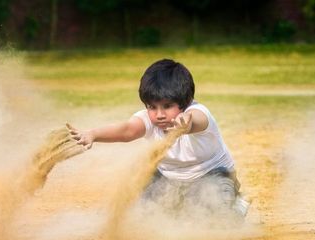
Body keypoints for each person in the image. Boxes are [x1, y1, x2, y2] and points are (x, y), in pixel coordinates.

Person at [68, 58, 250, 224]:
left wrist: (184, 125)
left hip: (211, 177)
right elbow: (127, 130)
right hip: (167, 180)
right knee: (140, 219)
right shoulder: (148, 119)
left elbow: (195, 120)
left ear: (185, 102)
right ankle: (176, 207)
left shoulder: (198, 114)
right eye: (152, 107)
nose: (159, 115)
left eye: (167, 106)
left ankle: (236, 206)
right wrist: (92, 134)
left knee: (219, 224)